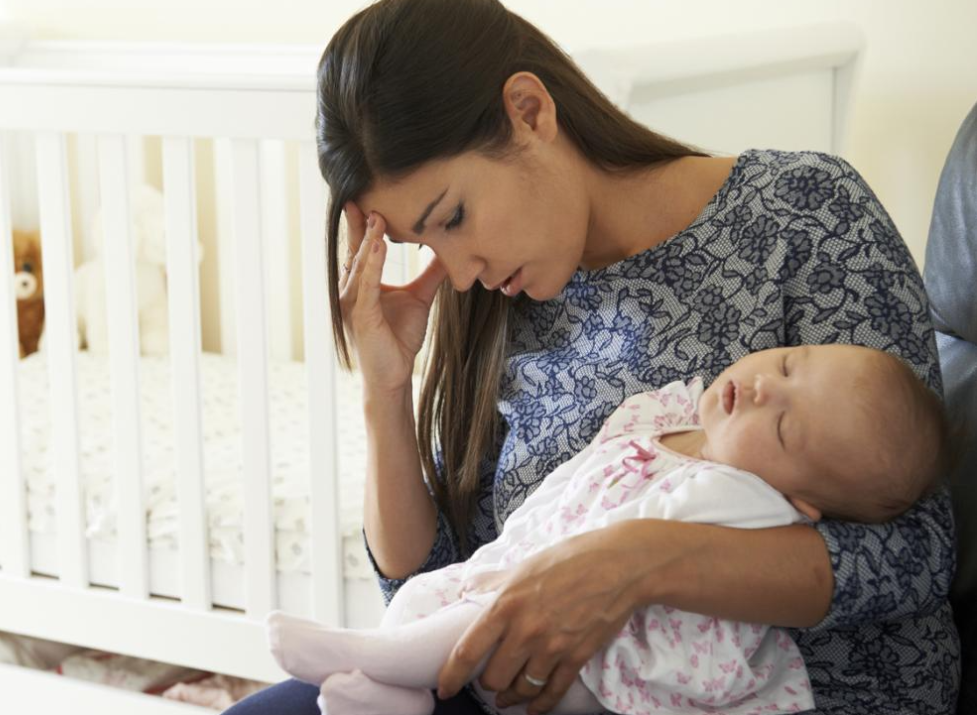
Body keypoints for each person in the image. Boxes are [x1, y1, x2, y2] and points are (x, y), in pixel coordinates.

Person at [223, 0, 960, 713]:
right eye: (427, 241)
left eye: (453, 216)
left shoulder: (803, 211)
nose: (458, 267)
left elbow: (917, 551)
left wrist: (634, 563)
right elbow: (435, 596)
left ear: (530, 111)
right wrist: (386, 392)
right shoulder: (498, 303)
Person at [265, 344, 948, 715]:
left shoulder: (749, 499)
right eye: (790, 362)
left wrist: (536, 567)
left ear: (803, 500)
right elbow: (572, 482)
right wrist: (386, 395)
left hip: (601, 663)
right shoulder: (668, 412)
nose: (767, 387)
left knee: (473, 616)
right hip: (520, 577)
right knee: (423, 598)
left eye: (786, 425)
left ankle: (384, 663)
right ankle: (391, 691)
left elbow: (924, 553)